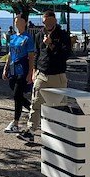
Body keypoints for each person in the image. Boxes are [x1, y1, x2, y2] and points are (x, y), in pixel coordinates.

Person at [17, 10, 71, 143]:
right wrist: (34, 71)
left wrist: (51, 44)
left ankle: (60, 133)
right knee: (35, 103)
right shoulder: (39, 35)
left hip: (57, 75)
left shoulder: (63, 35)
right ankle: (30, 131)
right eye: (44, 22)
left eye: (48, 21)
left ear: (54, 21)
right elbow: (37, 54)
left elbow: (65, 55)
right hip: (42, 74)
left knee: (59, 105)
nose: (46, 24)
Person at [2, 14, 34, 133]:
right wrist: (5, 67)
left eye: (19, 22)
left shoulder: (28, 38)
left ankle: (15, 122)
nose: (17, 24)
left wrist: (30, 72)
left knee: (17, 95)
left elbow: (31, 57)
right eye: (15, 22)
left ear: (25, 23)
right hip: (13, 68)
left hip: (23, 68)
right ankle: (32, 109)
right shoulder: (13, 37)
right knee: (17, 95)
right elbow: (10, 53)